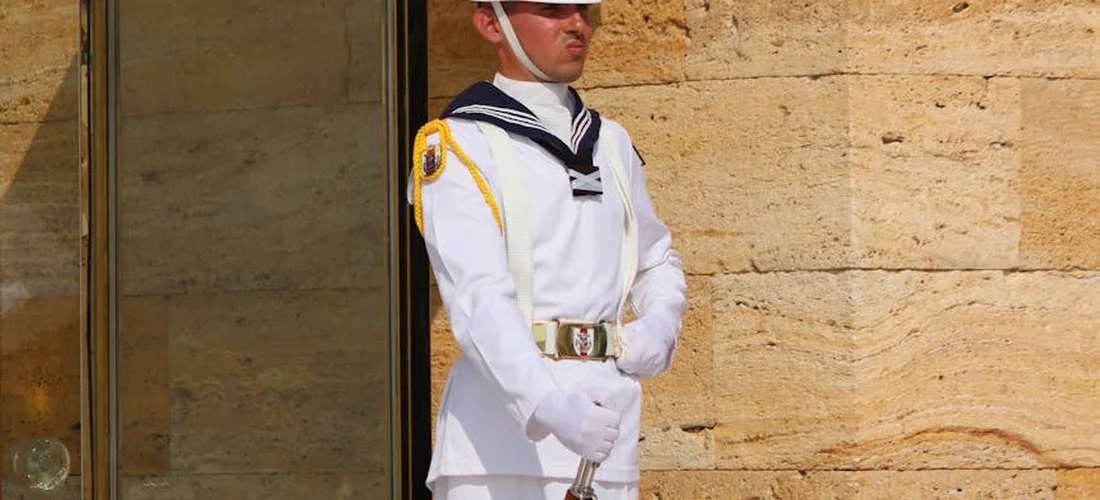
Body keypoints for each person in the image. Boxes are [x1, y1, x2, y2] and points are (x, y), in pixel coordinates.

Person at [408, 1, 687, 498]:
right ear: (491, 23)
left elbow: (656, 259)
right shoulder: (460, 144)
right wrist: (547, 404)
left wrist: (662, 324)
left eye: (583, 10)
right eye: (552, 9)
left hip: (608, 436)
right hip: (500, 450)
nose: (577, 24)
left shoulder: (612, 143)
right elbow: (478, 300)